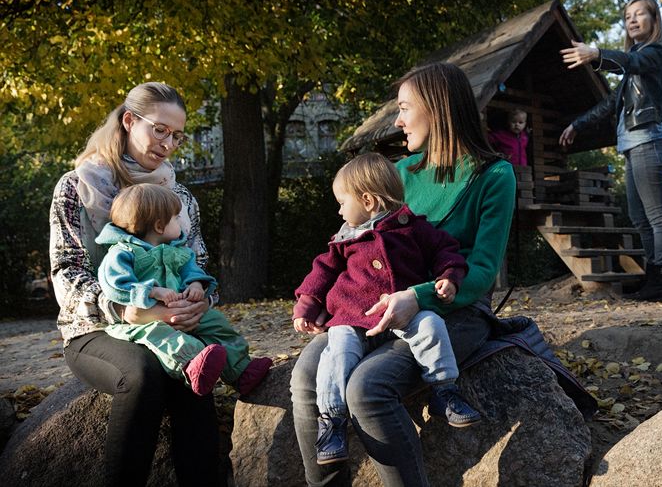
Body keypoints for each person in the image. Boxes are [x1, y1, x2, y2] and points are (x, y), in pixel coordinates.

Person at [290, 62, 516, 486]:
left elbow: (484, 271)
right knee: (305, 374)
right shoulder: (401, 173)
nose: (397, 119)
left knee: (366, 388)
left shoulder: (494, 175)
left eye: (405, 107)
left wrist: (420, 296)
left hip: (453, 312)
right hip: (374, 310)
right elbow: (354, 246)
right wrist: (326, 300)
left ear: (438, 108)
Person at [51, 82, 220, 486]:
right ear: (129, 120)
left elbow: (199, 265)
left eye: (177, 135)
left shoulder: (179, 197)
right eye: (160, 130)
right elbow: (68, 273)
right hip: (95, 329)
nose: (169, 143)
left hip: (169, 324)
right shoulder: (74, 188)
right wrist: (128, 309)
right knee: (143, 374)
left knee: (192, 374)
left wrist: (201, 303)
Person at [292, 153, 481, 466]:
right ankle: (332, 422)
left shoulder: (414, 229)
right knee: (337, 352)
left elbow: (446, 250)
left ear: (367, 200)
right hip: (353, 316)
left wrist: (449, 276)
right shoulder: (344, 239)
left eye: (342, 202)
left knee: (431, 324)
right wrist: (307, 305)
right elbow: (321, 272)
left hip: (403, 312)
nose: (339, 210)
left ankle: (445, 390)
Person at [97, 183, 272, 397]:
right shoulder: (123, 252)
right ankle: (191, 366)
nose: (181, 222)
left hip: (186, 311)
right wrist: (152, 291)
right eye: (176, 217)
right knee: (161, 336)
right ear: (160, 226)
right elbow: (114, 283)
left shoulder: (179, 251)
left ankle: (241, 371)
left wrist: (196, 285)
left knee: (215, 322)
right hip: (146, 320)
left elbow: (192, 271)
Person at [558, 0, 662, 301]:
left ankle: (661, 279)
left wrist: (596, 53)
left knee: (657, 216)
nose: (632, 20)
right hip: (632, 146)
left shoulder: (654, 54)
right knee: (639, 217)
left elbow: (632, 62)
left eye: (640, 14)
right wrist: (577, 124)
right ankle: (653, 278)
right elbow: (611, 103)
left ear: (653, 20)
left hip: (648, 141)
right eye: (627, 16)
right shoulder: (633, 63)